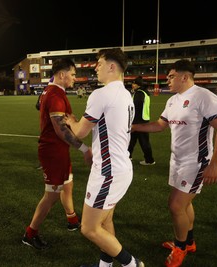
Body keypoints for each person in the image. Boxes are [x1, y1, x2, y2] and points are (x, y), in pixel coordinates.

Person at [133, 59, 217, 267]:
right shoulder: (173, 100)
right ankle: (189, 242)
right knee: (185, 204)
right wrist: (133, 128)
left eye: (170, 76)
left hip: (197, 163)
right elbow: (160, 126)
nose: (166, 80)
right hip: (176, 161)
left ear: (184, 77)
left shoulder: (204, 97)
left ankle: (180, 247)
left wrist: (215, 163)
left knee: (176, 205)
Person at [65, 48, 144, 267]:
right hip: (119, 168)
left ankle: (132, 264)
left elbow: (80, 131)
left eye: (99, 63)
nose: (96, 67)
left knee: (89, 228)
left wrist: (70, 120)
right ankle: (105, 265)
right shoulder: (125, 93)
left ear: (112, 66)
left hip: (108, 172)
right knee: (106, 219)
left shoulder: (102, 93)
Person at [22, 58, 92, 250]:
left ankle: (72, 220)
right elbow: (61, 131)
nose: (75, 78)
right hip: (53, 151)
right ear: (62, 74)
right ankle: (30, 233)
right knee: (51, 195)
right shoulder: (55, 95)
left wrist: (70, 122)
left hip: (59, 149)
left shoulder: (53, 91)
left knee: (67, 185)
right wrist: (85, 149)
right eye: (73, 74)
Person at [128, 76, 155, 165]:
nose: (132, 85)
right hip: (144, 119)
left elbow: (136, 106)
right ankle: (128, 156)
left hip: (138, 121)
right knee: (132, 140)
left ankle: (149, 160)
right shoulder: (145, 92)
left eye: (134, 83)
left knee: (140, 142)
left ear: (138, 84)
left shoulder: (139, 93)